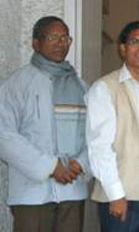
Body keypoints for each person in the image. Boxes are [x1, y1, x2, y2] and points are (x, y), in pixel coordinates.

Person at [0, 16, 89, 232]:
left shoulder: (81, 86)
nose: (61, 43)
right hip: (32, 193)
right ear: (36, 43)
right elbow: (4, 135)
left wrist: (82, 163)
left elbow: (94, 135)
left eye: (65, 38)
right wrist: (50, 167)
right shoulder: (17, 84)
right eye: (53, 37)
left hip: (72, 190)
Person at [86, 21, 139, 232]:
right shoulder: (105, 88)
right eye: (135, 42)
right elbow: (99, 147)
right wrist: (116, 195)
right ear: (122, 48)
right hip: (123, 185)